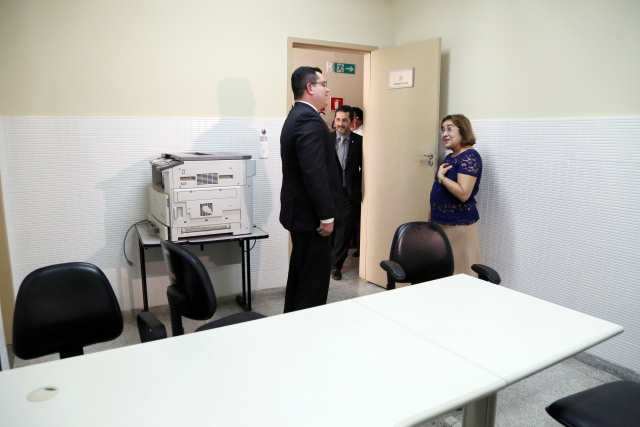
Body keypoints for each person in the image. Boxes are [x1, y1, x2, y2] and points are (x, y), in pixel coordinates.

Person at [280, 66, 342, 313]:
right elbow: (314, 173)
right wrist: (326, 217)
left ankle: (291, 323)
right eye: (323, 84)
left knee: (300, 275)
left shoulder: (295, 115)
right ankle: (306, 331)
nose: (327, 89)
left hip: (301, 214)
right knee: (312, 285)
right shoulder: (308, 119)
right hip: (312, 219)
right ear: (310, 87)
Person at [429, 114, 483, 276]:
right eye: (443, 130)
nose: (444, 134)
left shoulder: (470, 156)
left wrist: (441, 177)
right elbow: (440, 191)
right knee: (443, 271)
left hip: (459, 224)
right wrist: (431, 216)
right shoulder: (450, 156)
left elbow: (463, 193)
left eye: (449, 129)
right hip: (441, 222)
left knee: (461, 272)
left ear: (463, 130)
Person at [329, 105, 363, 281]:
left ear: (351, 121)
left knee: (344, 231)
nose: (340, 124)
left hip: (349, 193)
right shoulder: (326, 140)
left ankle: (336, 266)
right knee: (329, 229)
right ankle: (326, 261)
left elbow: (365, 168)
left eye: (344, 120)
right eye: (338, 119)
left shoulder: (359, 142)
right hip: (329, 193)